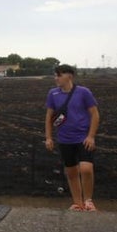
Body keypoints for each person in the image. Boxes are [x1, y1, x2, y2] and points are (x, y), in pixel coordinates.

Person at [44, 64, 100, 211]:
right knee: (71, 171)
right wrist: (48, 137)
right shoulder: (53, 94)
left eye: (59, 75)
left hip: (83, 137)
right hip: (64, 139)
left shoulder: (84, 92)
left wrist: (91, 136)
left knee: (86, 168)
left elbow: (94, 114)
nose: (56, 78)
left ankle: (88, 200)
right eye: (55, 75)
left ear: (70, 76)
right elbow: (49, 116)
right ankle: (78, 203)